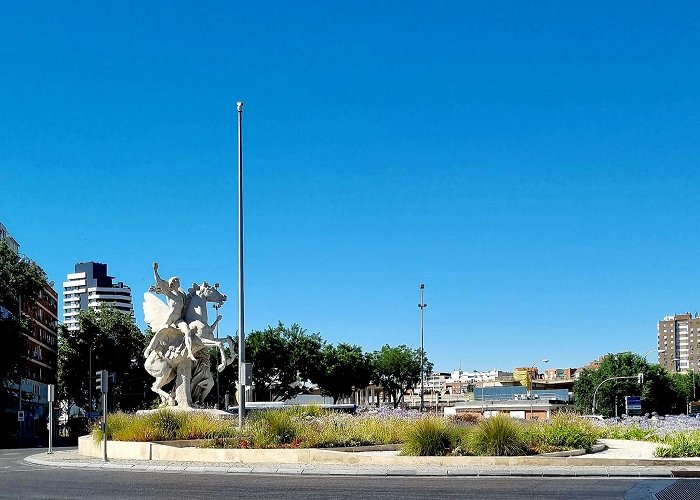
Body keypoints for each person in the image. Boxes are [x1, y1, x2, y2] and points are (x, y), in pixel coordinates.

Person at [145, 262, 196, 361]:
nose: (178, 281)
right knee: (160, 333)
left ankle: (189, 352)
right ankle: (148, 349)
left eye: (178, 280)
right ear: (172, 283)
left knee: (187, 331)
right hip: (170, 317)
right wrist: (155, 271)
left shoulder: (182, 295)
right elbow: (160, 282)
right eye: (176, 280)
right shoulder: (169, 293)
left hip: (178, 319)